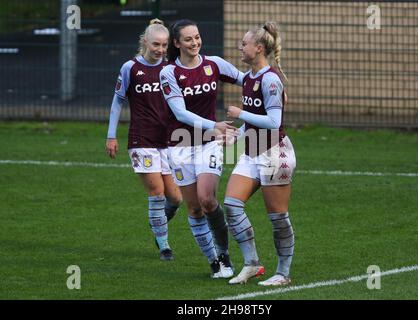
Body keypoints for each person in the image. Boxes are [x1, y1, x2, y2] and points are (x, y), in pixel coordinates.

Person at [159, 19, 244, 278]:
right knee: (194, 208)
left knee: (208, 200)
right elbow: (180, 113)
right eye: (188, 39)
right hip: (181, 144)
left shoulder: (214, 64)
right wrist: (216, 124)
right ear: (177, 43)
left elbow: (247, 81)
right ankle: (213, 261)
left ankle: (225, 255)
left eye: (197, 37)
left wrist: (271, 87)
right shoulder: (169, 73)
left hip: (209, 144)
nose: (195, 42)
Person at [224, 21, 296, 286]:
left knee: (278, 217)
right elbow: (256, 120)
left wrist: (240, 114)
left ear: (259, 48)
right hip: (252, 150)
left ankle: (283, 273)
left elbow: (274, 122)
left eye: (244, 44)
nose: (239, 47)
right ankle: (252, 264)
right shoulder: (250, 77)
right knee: (231, 205)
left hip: (275, 154)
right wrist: (237, 133)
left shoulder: (270, 80)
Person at [106, 19, 182, 261]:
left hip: (168, 141)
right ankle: (164, 246)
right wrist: (111, 135)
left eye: (164, 45)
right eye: (156, 44)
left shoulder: (170, 68)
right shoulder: (130, 68)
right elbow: (118, 100)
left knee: (176, 198)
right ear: (144, 43)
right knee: (157, 192)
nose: (160, 49)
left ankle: (156, 222)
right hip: (141, 139)